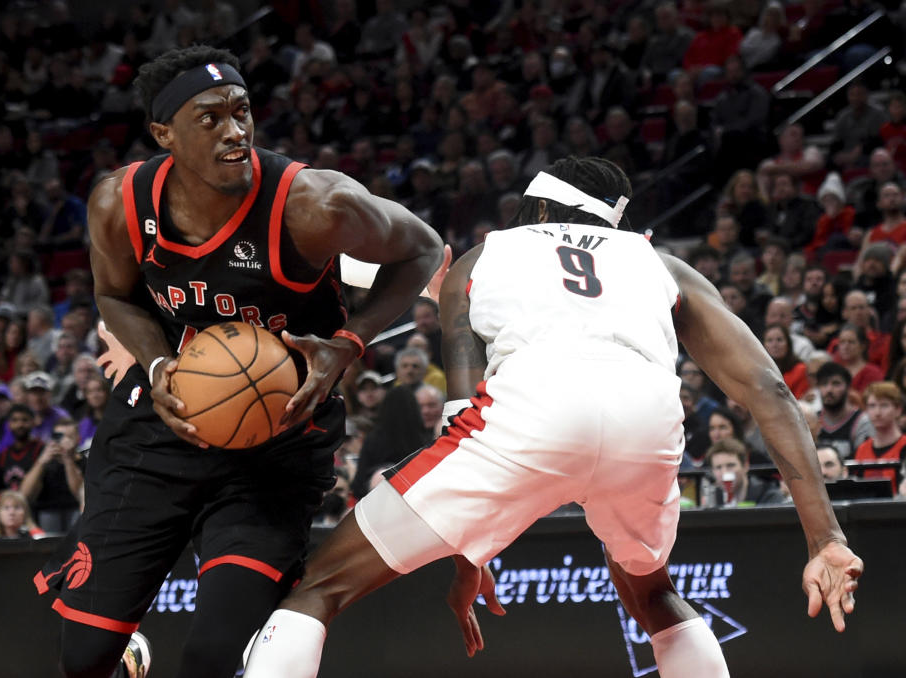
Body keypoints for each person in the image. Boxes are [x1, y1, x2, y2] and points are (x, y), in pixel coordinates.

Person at [243, 157, 862, 678]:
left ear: (536, 210)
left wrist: (468, 554)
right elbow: (770, 391)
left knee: (320, 587)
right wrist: (825, 538)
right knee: (653, 595)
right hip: (645, 428)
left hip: (529, 419)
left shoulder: (482, 257)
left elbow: (462, 419)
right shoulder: (662, 264)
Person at [32, 45, 443, 678]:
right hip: (158, 432)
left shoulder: (314, 205)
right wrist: (159, 364)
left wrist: (349, 342)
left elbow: (423, 250)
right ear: (163, 132)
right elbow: (114, 296)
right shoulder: (121, 203)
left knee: (215, 658)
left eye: (242, 112)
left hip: (278, 443)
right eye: (211, 118)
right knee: (84, 659)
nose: (235, 131)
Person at [853, 381, 906, 495]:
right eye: (872, 406)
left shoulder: (904, 446)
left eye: (884, 405)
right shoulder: (861, 449)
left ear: (898, 410)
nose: (877, 412)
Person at [817, 362, 875, 461]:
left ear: (848, 387)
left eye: (836, 384)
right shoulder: (813, 420)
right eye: (824, 384)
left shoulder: (862, 421)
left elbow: (862, 462)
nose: (829, 389)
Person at [705, 437, 784, 506]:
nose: (724, 473)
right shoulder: (713, 498)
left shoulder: (768, 495)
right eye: (718, 468)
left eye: (730, 465)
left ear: (745, 466)